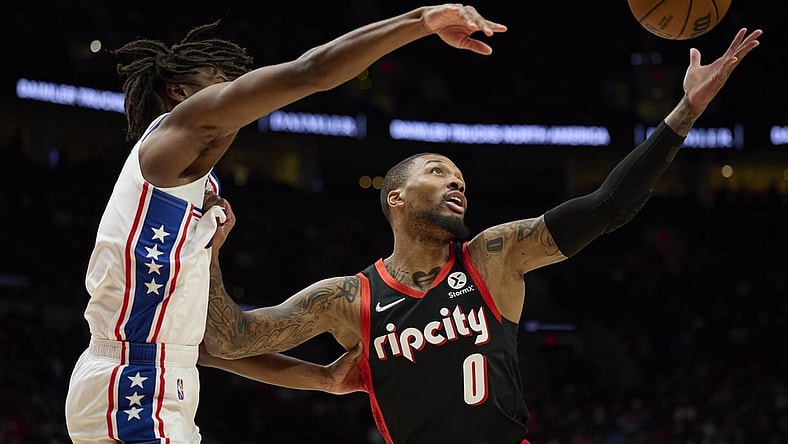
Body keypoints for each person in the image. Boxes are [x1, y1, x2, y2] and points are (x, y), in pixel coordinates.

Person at [201, 28, 762, 444]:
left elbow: (608, 206)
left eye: (460, 177)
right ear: (394, 198)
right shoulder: (348, 298)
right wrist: (211, 254)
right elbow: (229, 342)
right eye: (438, 171)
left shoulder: (494, 256)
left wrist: (686, 110)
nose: (456, 183)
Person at [64, 5, 507, 443]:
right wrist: (421, 21)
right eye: (221, 81)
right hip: (135, 385)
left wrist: (323, 380)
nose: (235, 90)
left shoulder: (191, 187)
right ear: (180, 93)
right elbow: (309, 72)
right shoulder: (174, 136)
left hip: (155, 381)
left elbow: (202, 347)